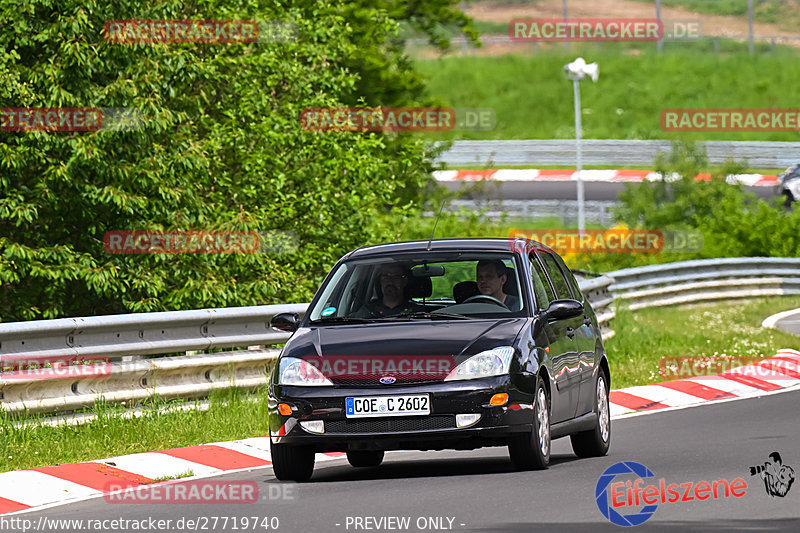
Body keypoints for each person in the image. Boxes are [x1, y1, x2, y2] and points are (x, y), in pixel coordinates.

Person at [354, 263, 424, 317]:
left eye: (396, 277)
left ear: (404, 281)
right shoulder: (367, 313)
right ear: (380, 281)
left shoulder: (417, 314)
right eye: (385, 277)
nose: (390, 281)